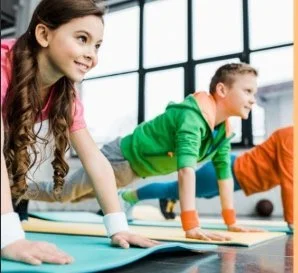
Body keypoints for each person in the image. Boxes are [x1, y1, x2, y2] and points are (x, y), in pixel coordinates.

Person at [1, 0, 158, 266]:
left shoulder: (65, 95)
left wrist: (118, 226)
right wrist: (9, 238)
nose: (92, 55)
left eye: (97, 46)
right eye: (82, 39)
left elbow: (95, 160)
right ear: (43, 35)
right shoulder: (4, 65)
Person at [59, 62, 261, 242]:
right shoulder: (193, 117)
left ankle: (121, 197)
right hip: (120, 158)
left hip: (133, 172)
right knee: (61, 194)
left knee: (77, 196)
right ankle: (26, 191)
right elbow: (185, 171)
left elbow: (224, 177)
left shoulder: (222, 133)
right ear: (222, 90)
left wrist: (231, 222)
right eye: (248, 91)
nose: (253, 99)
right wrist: (191, 225)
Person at [120, 126, 293, 231]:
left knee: (184, 191)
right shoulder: (290, 136)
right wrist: (292, 222)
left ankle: (169, 197)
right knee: (172, 188)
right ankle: (128, 197)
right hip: (226, 172)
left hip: (234, 179)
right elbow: (290, 182)